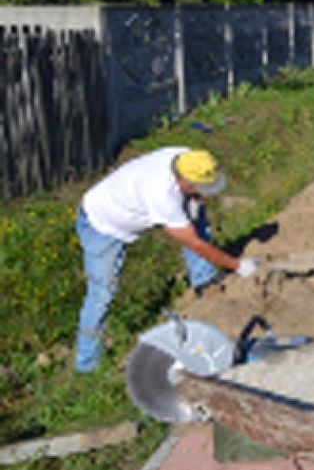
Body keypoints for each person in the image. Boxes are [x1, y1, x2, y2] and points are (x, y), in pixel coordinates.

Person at [74, 147, 258, 373]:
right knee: (101, 293)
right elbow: (195, 243)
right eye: (197, 188)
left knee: (196, 218)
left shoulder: (187, 157)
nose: (202, 193)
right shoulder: (161, 195)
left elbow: (193, 212)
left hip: (133, 202)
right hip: (102, 224)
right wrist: (238, 266)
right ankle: (87, 363)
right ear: (182, 180)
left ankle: (205, 280)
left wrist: (194, 201)